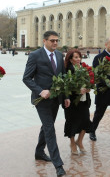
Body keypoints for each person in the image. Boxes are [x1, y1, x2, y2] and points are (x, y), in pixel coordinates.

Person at [22, 31, 69, 177]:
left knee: (46, 126)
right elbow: (26, 78)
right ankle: (58, 166)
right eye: (52, 40)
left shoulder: (59, 55)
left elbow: (63, 76)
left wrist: (66, 96)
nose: (55, 43)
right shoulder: (35, 55)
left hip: (55, 99)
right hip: (42, 100)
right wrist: (40, 91)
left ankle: (39, 152)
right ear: (44, 41)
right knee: (49, 129)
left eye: (57, 40)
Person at [63, 49, 91, 155]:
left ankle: (79, 141)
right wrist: (77, 91)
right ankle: (72, 143)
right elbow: (65, 86)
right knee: (72, 122)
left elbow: (89, 83)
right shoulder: (67, 70)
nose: (78, 59)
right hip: (72, 101)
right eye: (75, 57)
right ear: (70, 59)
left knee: (86, 121)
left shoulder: (84, 68)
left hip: (83, 100)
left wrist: (88, 88)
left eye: (79, 57)